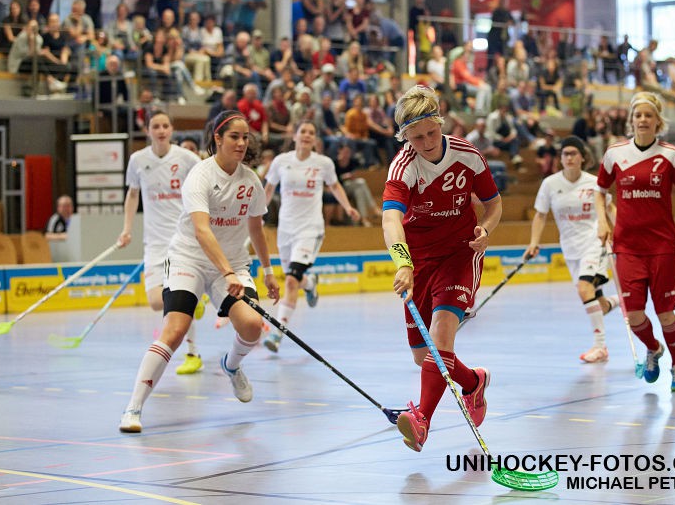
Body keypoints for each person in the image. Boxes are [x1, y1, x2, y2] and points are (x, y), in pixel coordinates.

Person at [119, 110, 280, 433]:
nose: (241, 142)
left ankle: (231, 366)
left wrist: (267, 270)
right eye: (234, 136)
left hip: (233, 264)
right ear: (217, 139)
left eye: (245, 137)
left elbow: (256, 229)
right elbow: (202, 231)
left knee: (251, 326)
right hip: (187, 259)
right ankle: (133, 409)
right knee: (175, 331)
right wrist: (227, 274)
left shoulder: (251, 181)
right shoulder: (200, 175)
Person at [382, 85, 503, 452]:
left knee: (442, 337)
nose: (428, 142)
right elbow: (391, 220)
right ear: (405, 137)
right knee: (425, 356)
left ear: (441, 122)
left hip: (459, 254)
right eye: (417, 138)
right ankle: (472, 383)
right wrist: (403, 263)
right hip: (419, 261)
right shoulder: (403, 165)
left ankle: (421, 420)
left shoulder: (467, 155)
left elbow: (494, 204)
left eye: (432, 132)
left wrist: (487, 229)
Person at [594, 91, 675, 392]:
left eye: (648, 115)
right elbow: (600, 191)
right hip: (626, 247)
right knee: (634, 313)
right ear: (631, 120)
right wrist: (603, 221)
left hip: (663, 246)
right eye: (638, 115)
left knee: (665, 312)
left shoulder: (671, 154)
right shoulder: (615, 153)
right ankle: (653, 349)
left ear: (657, 121)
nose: (642, 120)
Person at [118, 111, 206, 377]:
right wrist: (126, 230)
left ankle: (192, 353)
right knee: (157, 302)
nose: (161, 130)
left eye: (165, 125)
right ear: (148, 131)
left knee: (176, 300)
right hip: (154, 242)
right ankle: (195, 302)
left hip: (182, 239)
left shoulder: (187, 158)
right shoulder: (137, 160)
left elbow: (207, 183)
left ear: (171, 129)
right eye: (156, 126)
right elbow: (132, 195)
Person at [261, 121, 360, 353]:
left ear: (315, 139)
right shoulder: (281, 161)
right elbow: (268, 189)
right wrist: (259, 214)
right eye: (303, 131)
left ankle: (278, 332)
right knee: (293, 277)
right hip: (286, 230)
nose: (306, 135)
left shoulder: (323, 163)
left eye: (311, 133)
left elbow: (335, 186)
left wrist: (347, 207)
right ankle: (311, 283)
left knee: (291, 280)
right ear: (294, 136)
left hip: (310, 228)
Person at [526, 136, 619, 364]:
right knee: (596, 301)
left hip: (594, 243)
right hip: (570, 249)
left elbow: (611, 209)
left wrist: (619, 236)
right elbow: (540, 215)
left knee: (584, 289)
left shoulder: (594, 183)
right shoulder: (550, 184)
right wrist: (533, 242)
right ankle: (619, 301)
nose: (569, 157)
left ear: (582, 157)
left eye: (573, 153)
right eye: (565, 154)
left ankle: (600, 347)